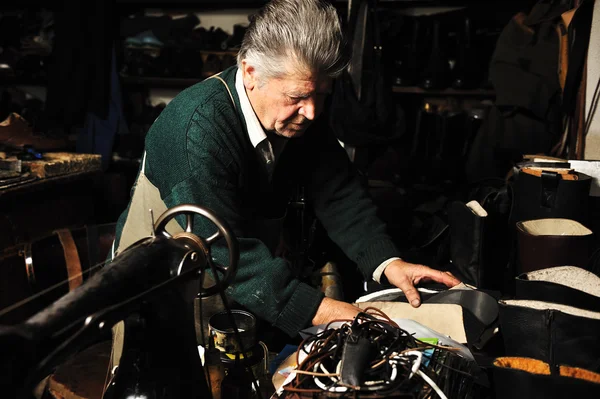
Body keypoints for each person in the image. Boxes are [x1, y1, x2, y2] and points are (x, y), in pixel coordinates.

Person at [112, 0, 460, 338]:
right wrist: (330, 311)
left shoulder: (301, 116)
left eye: (322, 95)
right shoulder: (194, 130)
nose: (311, 112)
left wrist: (387, 262)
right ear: (250, 73)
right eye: (297, 97)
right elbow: (221, 248)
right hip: (163, 284)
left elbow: (338, 193)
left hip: (248, 279)